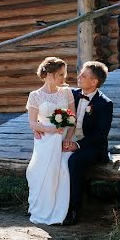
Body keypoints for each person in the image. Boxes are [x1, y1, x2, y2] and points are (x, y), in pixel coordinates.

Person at [61, 61, 113, 226]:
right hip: (70, 140)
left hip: (93, 147)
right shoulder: (72, 95)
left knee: (74, 161)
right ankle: (54, 205)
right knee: (53, 154)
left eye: (83, 75)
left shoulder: (104, 104)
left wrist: (77, 146)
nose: (79, 77)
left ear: (94, 82)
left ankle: (74, 210)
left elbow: (100, 135)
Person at [25, 57, 75, 225]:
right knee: (37, 171)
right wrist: (48, 129)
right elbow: (32, 122)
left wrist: (67, 138)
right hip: (44, 139)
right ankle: (42, 207)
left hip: (64, 137)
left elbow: (72, 119)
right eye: (60, 74)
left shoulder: (66, 92)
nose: (64, 78)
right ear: (49, 74)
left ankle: (61, 210)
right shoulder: (35, 96)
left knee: (62, 167)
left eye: (64, 74)